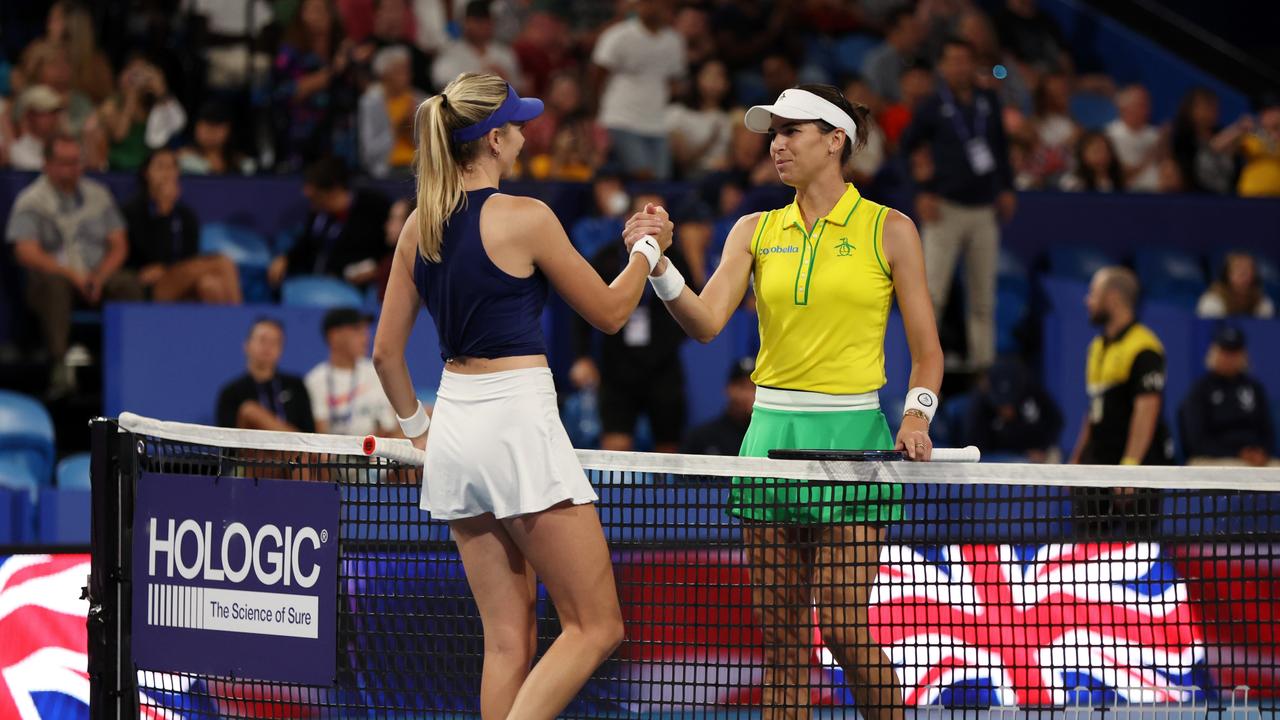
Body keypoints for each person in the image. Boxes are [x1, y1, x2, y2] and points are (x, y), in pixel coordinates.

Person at [371, 73, 671, 720]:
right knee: (595, 627)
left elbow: (385, 355)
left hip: (454, 430)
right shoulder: (527, 217)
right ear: (495, 139)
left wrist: (421, 432)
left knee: (508, 642)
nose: (528, 132)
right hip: (514, 426)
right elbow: (613, 313)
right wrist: (647, 250)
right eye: (517, 125)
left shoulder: (418, 226)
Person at [638, 82, 943, 720]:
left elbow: (928, 353)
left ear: (836, 141)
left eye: (790, 132)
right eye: (771, 133)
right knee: (781, 647)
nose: (775, 145)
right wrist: (662, 266)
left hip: (854, 445)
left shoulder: (891, 229)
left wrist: (916, 413)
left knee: (838, 622)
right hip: (769, 443)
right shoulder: (754, 229)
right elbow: (705, 323)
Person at [900, 38, 1015, 373]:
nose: (960, 67)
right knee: (932, 293)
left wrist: (1006, 187)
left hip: (984, 211)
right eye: (953, 61)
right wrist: (920, 191)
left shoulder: (988, 101)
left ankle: (984, 368)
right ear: (942, 67)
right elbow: (907, 149)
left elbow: (1000, 149)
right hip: (945, 209)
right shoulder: (932, 105)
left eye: (966, 60)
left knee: (983, 298)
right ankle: (921, 365)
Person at [5, 134, 144, 395]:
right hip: (54, 279)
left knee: (128, 283)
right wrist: (72, 275)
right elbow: (25, 251)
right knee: (54, 285)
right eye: (63, 162)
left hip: (97, 275)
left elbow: (119, 244)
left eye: (75, 162)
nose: (71, 169)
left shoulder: (99, 196)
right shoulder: (31, 200)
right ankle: (60, 368)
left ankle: (131, 363)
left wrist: (99, 277)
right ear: (46, 163)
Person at [571, 193, 691, 453]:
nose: (654, 222)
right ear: (629, 219)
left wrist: (669, 341)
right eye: (647, 214)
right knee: (616, 453)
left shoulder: (677, 260)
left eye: (661, 216)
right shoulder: (606, 258)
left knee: (667, 452)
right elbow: (583, 308)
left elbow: (694, 307)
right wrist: (582, 356)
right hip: (617, 368)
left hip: (663, 367)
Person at [1070, 266, 1174, 467]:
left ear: (1113, 297)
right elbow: (1094, 409)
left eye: (1093, 293)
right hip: (1099, 464)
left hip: (1136, 471)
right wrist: (1077, 458)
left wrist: (1130, 464)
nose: (1087, 300)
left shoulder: (1144, 347)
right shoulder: (1097, 347)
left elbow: (1147, 409)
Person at [121, 149, 243, 303]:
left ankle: (225, 326)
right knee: (223, 263)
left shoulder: (186, 216)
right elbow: (141, 253)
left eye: (172, 167)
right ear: (146, 173)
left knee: (210, 286)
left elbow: (190, 257)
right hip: (148, 284)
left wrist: (168, 208)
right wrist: (163, 211)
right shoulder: (132, 211)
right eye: (160, 167)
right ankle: (244, 324)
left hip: (181, 278)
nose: (167, 173)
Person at [590, 0, 686, 180]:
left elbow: (673, 81)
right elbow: (597, 75)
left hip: (657, 123)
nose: (652, 8)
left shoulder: (674, 42)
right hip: (621, 119)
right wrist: (596, 112)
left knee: (661, 179)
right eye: (647, 3)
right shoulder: (618, 35)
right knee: (642, 175)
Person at [268, 157, 392, 289]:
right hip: (319, 285)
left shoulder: (373, 208)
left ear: (334, 190)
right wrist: (286, 258)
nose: (308, 197)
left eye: (315, 195)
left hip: (354, 289)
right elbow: (306, 245)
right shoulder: (319, 215)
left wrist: (376, 269)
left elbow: (388, 249)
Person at [1180, 325, 1277, 467]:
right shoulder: (1200, 390)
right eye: (1224, 352)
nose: (1229, 358)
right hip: (1214, 458)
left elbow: (1268, 433)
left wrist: (1261, 452)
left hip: (1255, 459)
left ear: (1244, 355)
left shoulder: (1255, 388)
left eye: (1234, 352)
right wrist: (1237, 453)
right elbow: (1196, 441)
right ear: (1213, 353)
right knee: (1238, 469)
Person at [305, 308, 400, 436]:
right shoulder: (315, 380)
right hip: (342, 453)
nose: (366, 336)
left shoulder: (378, 370)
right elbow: (321, 434)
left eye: (365, 330)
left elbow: (398, 419)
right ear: (334, 336)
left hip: (387, 449)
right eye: (357, 330)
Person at [216, 317, 315, 432]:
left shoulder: (296, 386)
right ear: (246, 345)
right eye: (262, 340)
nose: (268, 347)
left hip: (293, 448)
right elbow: (228, 442)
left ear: (281, 349)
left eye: (275, 342)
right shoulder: (231, 392)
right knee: (250, 410)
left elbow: (309, 435)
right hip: (250, 449)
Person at [963, 357, 1063, 462]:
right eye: (1001, 403)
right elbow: (974, 448)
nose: (1006, 410)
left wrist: (1042, 449)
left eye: (1010, 402)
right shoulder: (979, 404)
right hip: (995, 457)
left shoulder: (1032, 393)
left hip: (1031, 453)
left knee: (1053, 456)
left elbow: (1055, 421)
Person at [358, 45, 427, 177]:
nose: (407, 75)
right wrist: (396, 130)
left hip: (419, 170)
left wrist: (412, 130)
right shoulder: (371, 103)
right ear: (384, 75)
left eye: (407, 70)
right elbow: (368, 153)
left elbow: (431, 147)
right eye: (399, 71)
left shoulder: (421, 101)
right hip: (385, 171)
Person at [430, 0, 524, 91]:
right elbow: (441, 83)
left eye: (486, 21)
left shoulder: (504, 53)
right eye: (477, 21)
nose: (482, 26)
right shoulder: (451, 53)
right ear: (465, 22)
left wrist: (505, 80)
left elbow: (519, 88)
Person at [680, 357, 757, 455]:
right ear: (728, 388)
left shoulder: (768, 438)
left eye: (753, 387)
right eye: (741, 386)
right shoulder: (701, 438)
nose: (747, 394)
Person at [1105, 85, 1161, 193]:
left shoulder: (1156, 136)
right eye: (1140, 105)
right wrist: (1148, 159)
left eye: (1147, 104)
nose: (1146, 109)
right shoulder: (1109, 135)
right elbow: (1115, 171)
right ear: (1123, 108)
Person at [1197, 252, 1276, 318]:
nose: (1243, 275)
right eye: (1238, 270)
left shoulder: (1262, 303)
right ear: (1227, 274)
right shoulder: (1212, 300)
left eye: (1247, 270)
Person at [8, 85, 66, 171]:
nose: (53, 118)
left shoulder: (67, 148)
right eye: (44, 113)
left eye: (54, 112)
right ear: (29, 116)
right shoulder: (16, 151)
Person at [1059, 130, 1124, 192]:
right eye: (1096, 151)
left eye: (1106, 151)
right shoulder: (1072, 182)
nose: (1103, 156)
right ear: (1082, 155)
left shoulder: (1120, 180)